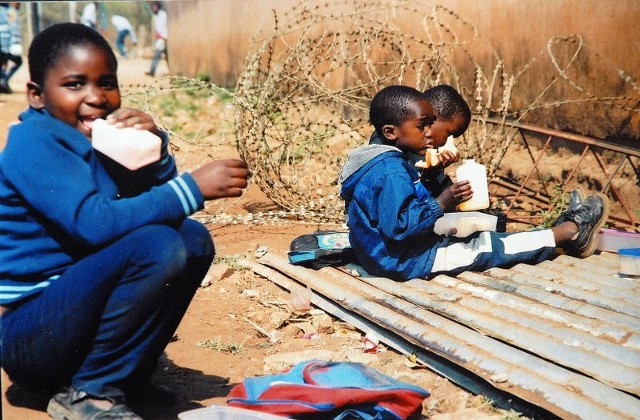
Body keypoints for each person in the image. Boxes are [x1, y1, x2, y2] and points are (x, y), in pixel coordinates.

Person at [0, 23, 251, 419]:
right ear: (36, 95)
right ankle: (90, 393)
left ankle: (124, 376)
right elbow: (94, 223)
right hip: (32, 339)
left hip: (72, 322)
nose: (96, 97)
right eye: (75, 84)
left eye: (107, 82)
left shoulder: (102, 140)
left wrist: (156, 150)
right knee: (156, 245)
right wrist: (192, 187)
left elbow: (150, 205)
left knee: (191, 238)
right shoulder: (34, 143)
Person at [339, 85, 609, 281]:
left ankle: (551, 233)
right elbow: (401, 227)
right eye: (424, 126)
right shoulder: (391, 169)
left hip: (387, 254)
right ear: (391, 132)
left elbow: (403, 208)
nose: (431, 134)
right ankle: (570, 232)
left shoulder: (376, 159)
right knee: (486, 247)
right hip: (404, 261)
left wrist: (435, 180)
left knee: (475, 232)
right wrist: (443, 201)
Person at [370, 84, 469, 197]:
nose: (429, 132)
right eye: (449, 134)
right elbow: (406, 209)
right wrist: (442, 203)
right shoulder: (387, 157)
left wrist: (431, 175)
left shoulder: (418, 146)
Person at [0, 2, 22, 93]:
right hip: (6, 44)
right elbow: (13, 28)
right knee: (18, 61)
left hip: (4, 44)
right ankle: (4, 80)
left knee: (3, 63)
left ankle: (3, 82)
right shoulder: (11, 11)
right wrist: (15, 42)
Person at [145, 1, 168, 77]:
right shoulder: (156, 16)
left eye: (154, 6)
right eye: (152, 7)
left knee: (157, 55)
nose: (153, 8)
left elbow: (165, 26)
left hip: (164, 38)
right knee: (165, 56)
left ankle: (152, 71)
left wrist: (164, 37)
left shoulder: (162, 14)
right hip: (161, 39)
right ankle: (152, 71)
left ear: (158, 6)